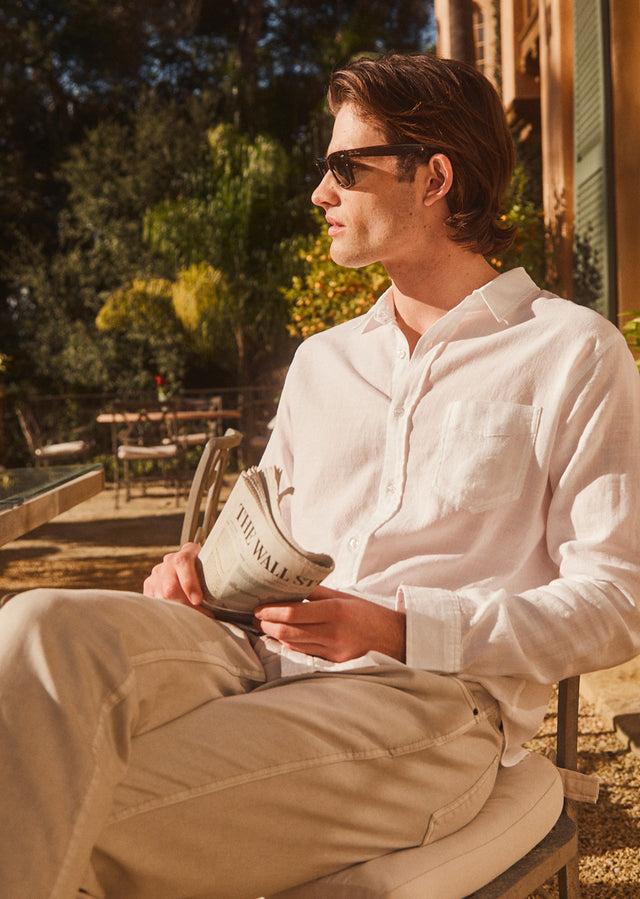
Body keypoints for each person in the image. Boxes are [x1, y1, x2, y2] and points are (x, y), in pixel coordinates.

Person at [2, 53, 640, 899]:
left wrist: (402, 628)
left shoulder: (570, 352)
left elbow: (616, 602)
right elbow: (268, 533)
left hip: (428, 707)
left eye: (345, 166)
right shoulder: (322, 362)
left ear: (434, 178)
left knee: (50, 802)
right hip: (249, 655)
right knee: (38, 624)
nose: (319, 193)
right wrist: (201, 571)